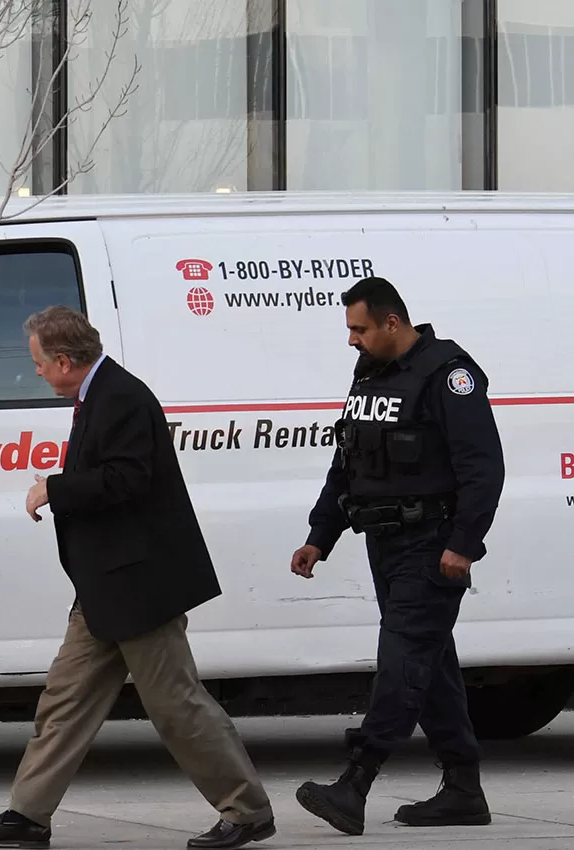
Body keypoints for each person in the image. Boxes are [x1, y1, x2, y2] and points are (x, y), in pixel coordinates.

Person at [0, 306, 274, 850]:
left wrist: (53, 490)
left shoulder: (122, 396)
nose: (34, 371)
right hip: (106, 585)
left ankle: (247, 811)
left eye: (37, 362)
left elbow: (127, 479)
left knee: (176, 703)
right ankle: (28, 816)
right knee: (65, 701)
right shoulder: (99, 395)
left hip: (139, 586)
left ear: (63, 361)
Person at [291, 277, 504, 835]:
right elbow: (350, 463)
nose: (351, 340)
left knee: (403, 660)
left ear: (392, 323)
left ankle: (355, 783)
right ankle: (463, 789)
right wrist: (321, 535)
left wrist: (463, 543)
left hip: (430, 545)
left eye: (359, 329)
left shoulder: (446, 375)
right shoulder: (371, 374)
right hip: (382, 542)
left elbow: (484, 468)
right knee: (430, 667)